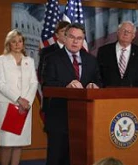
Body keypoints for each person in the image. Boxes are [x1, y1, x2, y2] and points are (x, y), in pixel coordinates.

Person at [42, 23, 102, 165]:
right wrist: (66, 87)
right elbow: (47, 86)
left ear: (83, 40)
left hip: (83, 119)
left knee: (79, 159)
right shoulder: (52, 58)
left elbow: (99, 81)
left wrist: (94, 85)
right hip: (59, 118)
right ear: (65, 37)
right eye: (72, 37)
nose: (75, 41)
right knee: (57, 159)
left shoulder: (91, 60)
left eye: (79, 38)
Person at [0, 29, 38, 165]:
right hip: (7, 105)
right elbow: (0, 84)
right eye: (14, 41)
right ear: (9, 44)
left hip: (25, 106)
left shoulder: (29, 61)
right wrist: (18, 99)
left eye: (20, 41)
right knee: (7, 143)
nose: (17, 44)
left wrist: (27, 102)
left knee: (19, 143)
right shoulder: (0, 60)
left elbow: (34, 82)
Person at [97, 21, 138, 87]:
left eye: (129, 32)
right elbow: (98, 75)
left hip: (134, 95)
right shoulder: (104, 51)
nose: (125, 33)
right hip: (109, 94)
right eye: (123, 30)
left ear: (133, 36)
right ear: (118, 32)